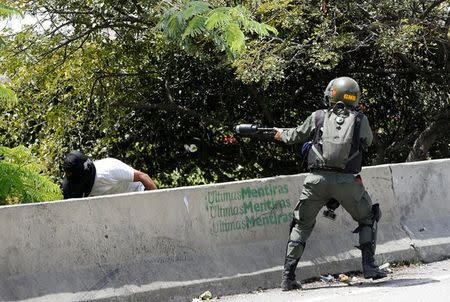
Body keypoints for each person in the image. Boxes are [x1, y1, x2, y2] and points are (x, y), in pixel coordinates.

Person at [274, 76, 387, 291]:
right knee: (368, 217)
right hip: (347, 182)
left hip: (316, 181)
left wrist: (279, 134)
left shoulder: (318, 117)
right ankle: (369, 267)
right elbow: (368, 142)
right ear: (354, 97)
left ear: (331, 94)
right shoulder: (360, 120)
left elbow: (294, 136)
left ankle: (288, 278)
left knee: (301, 224)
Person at [61, 150, 157, 199]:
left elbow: (142, 176)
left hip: (138, 193)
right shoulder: (70, 185)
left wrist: (159, 202)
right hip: (116, 204)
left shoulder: (110, 168)